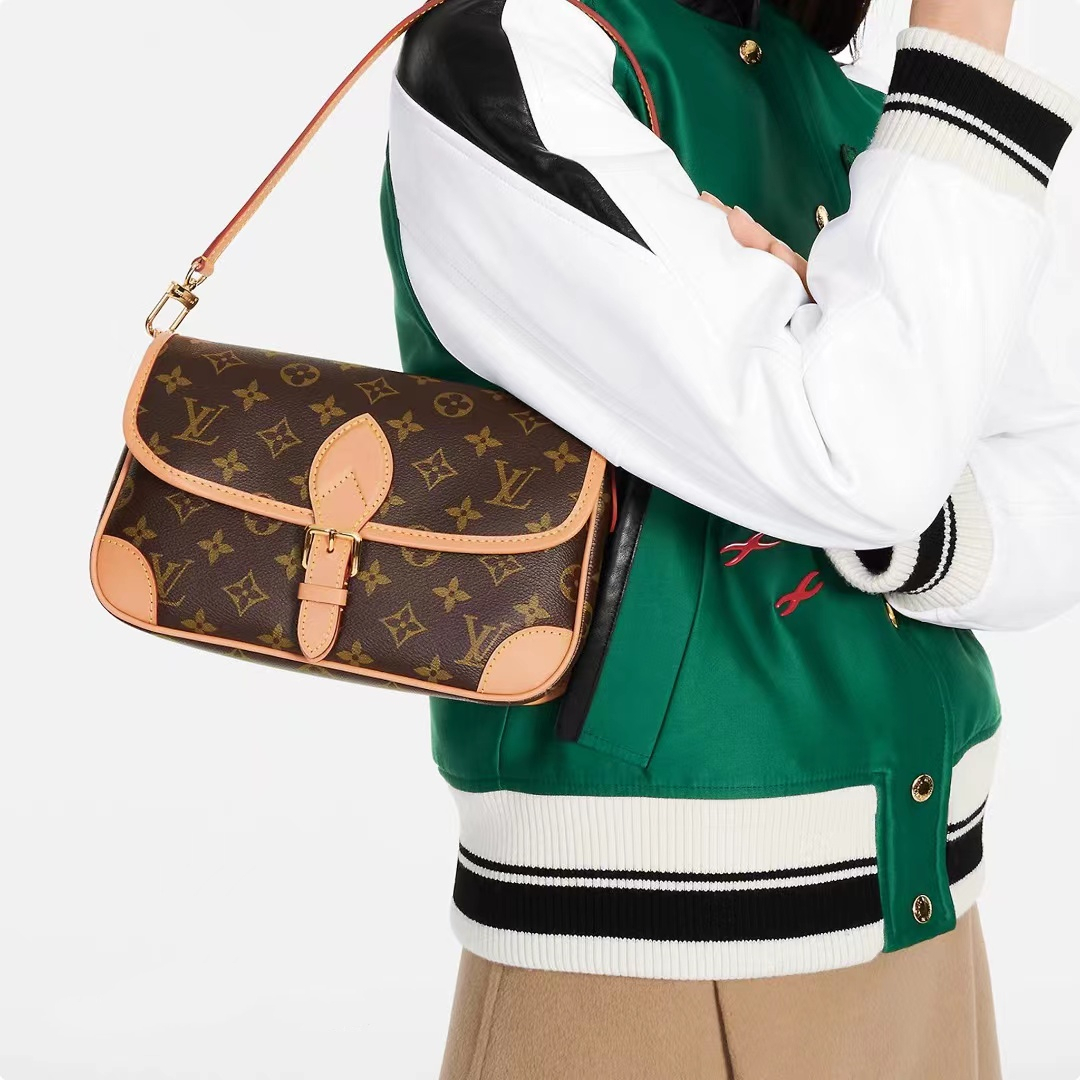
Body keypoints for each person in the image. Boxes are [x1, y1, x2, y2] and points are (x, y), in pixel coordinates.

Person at [378, 0, 1080, 1074]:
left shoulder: (854, 106)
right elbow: (865, 455)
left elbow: (1053, 483)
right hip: (637, 953)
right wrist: (963, 34)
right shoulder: (512, 57)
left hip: (930, 916)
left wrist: (895, 511)